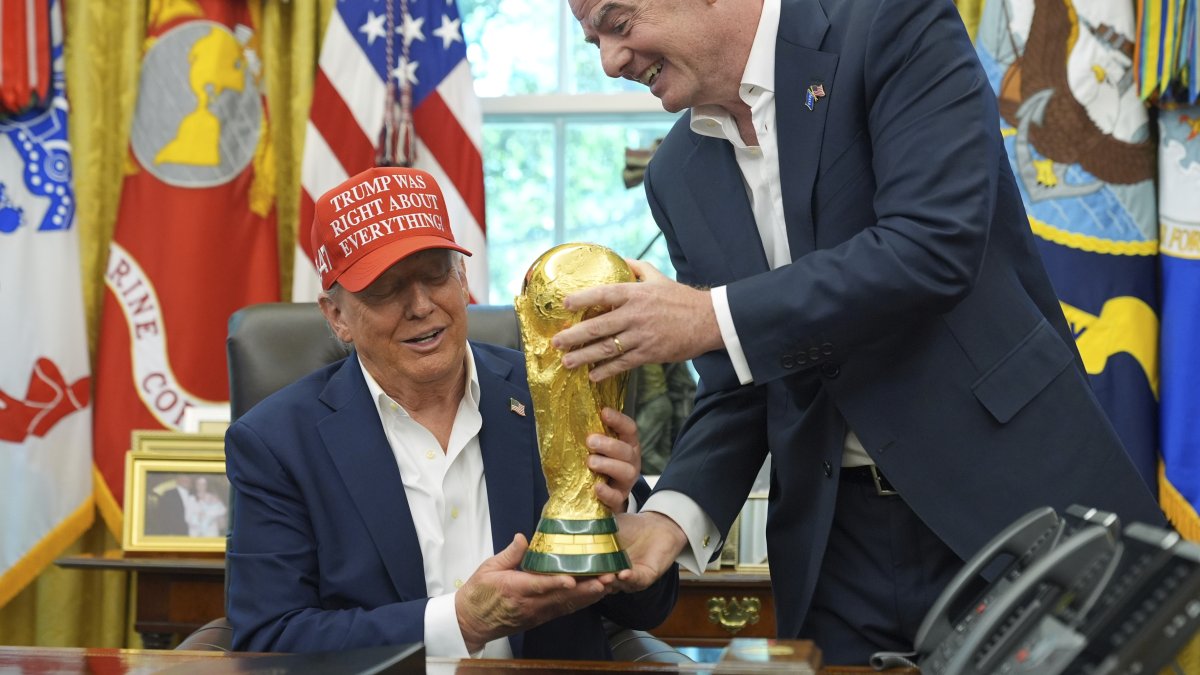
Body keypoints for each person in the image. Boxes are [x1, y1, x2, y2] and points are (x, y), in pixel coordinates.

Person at [557, 0, 1166, 664]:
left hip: (1010, 503)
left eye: (618, 24)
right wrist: (670, 518)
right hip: (833, 552)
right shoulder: (677, 175)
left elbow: (931, 246)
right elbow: (740, 378)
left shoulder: (892, 23)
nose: (612, 61)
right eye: (592, 43)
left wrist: (707, 316)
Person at [224, 166, 677, 657]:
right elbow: (268, 639)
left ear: (462, 279)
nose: (421, 306)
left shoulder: (555, 389)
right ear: (337, 317)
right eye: (385, 288)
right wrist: (457, 622)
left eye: (435, 274)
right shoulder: (276, 442)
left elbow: (651, 608)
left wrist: (622, 509)